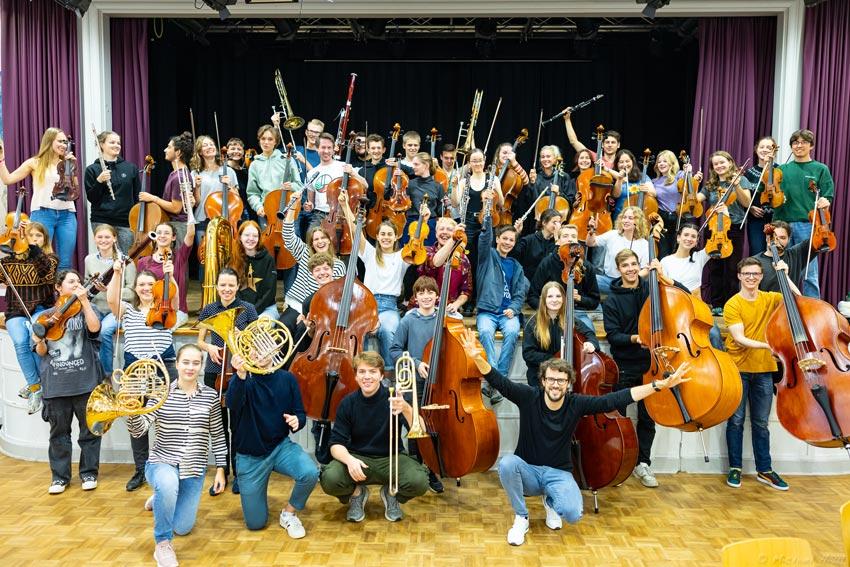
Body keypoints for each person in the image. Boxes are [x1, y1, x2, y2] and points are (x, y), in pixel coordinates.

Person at [458, 328, 688, 546]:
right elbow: (500, 382)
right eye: (551, 380)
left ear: (568, 384)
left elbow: (618, 398)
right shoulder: (529, 397)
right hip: (528, 469)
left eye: (561, 381)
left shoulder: (576, 403)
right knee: (507, 464)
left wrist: (659, 385)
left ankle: (551, 502)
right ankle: (521, 517)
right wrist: (477, 358)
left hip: (558, 474)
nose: (555, 385)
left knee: (573, 514)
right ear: (543, 381)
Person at [128, 344, 227, 567]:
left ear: (201, 366)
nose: (190, 368)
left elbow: (219, 435)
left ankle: (161, 498)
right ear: (177, 364)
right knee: (168, 482)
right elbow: (138, 430)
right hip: (162, 462)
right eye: (186, 362)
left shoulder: (210, 397)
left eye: (196, 363)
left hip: (193, 468)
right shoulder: (161, 394)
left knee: (183, 527)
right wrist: (132, 412)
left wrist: (221, 469)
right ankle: (162, 544)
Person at [603, 249, 688, 489]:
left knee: (648, 417)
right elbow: (613, 335)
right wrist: (635, 338)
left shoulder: (652, 287)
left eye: (633, 264)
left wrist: (662, 276)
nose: (630, 269)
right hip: (626, 365)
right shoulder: (612, 300)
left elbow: (683, 294)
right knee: (618, 416)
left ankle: (643, 463)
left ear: (638, 265)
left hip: (652, 364)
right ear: (618, 269)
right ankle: (617, 462)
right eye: (625, 266)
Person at [319, 351, 429, 522]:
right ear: (355, 376)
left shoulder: (394, 398)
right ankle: (357, 494)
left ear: (381, 375)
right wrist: (349, 460)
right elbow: (335, 444)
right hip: (359, 459)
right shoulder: (348, 403)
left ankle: (391, 494)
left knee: (419, 481)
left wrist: (406, 407)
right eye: (362, 372)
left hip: (392, 459)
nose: (367, 377)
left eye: (372, 371)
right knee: (329, 478)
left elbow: (422, 430)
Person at [723, 257, 797, 491]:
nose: (751, 277)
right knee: (735, 422)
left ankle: (764, 470)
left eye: (755, 274)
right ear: (739, 276)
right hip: (738, 370)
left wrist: (785, 275)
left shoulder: (770, 298)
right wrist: (770, 346)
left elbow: (797, 300)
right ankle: (735, 468)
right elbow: (739, 338)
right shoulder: (733, 304)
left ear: (762, 276)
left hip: (764, 370)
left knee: (761, 424)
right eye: (747, 274)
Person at [226, 351, 319, 538]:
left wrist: (297, 421)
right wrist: (240, 375)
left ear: (276, 351)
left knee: (310, 472)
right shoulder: (244, 379)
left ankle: (288, 514)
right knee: (255, 523)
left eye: (265, 347)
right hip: (249, 456)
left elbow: (300, 413)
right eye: (255, 348)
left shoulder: (287, 378)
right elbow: (232, 404)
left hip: (280, 447)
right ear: (247, 352)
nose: (260, 353)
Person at [108, 257, 180, 492]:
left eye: (151, 284)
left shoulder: (167, 308)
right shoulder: (128, 311)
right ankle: (141, 469)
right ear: (136, 289)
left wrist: (171, 275)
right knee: (136, 420)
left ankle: (169, 465)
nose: (147, 288)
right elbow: (111, 299)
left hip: (164, 367)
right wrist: (117, 273)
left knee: (167, 419)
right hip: (135, 369)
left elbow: (176, 298)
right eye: (142, 285)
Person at [33, 269, 102, 495]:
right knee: (59, 435)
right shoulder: (44, 318)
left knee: (89, 432)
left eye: (79, 282)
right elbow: (41, 351)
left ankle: (89, 473)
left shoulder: (85, 310)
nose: (76, 284)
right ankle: (60, 478)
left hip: (85, 381)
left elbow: (94, 328)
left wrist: (85, 301)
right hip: (56, 385)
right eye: (71, 282)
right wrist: (39, 338)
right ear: (58, 287)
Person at [197, 267, 260, 495]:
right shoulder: (209, 309)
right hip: (215, 372)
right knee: (219, 426)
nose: (226, 289)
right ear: (217, 287)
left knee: (239, 426)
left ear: (237, 286)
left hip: (240, 372)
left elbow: (255, 338)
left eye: (231, 285)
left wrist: (242, 339)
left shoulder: (248, 309)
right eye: (222, 285)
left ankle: (240, 473)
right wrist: (210, 347)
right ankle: (222, 470)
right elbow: (200, 341)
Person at [340, 192, 414, 370]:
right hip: (368, 304)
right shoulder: (370, 254)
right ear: (378, 236)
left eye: (390, 234)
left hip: (389, 306)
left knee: (389, 331)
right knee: (360, 332)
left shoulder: (401, 257)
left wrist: (424, 220)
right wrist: (344, 206)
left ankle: (389, 374)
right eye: (383, 234)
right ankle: (364, 370)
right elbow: (356, 229)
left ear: (396, 237)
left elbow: (416, 240)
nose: (386, 237)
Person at [388, 275, 445, 493]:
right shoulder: (408, 320)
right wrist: (416, 362)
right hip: (415, 382)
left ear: (436, 295)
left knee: (434, 428)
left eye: (430, 292)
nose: (426, 296)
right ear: (415, 297)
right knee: (416, 426)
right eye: (421, 293)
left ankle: (432, 469)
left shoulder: (443, 319)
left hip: (440, 382)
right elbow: (394, 350)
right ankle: (415, 471)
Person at [0, 220, 57, 414]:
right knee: (19, 342)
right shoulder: (8, 261)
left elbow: (45, 273)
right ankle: (35, 386)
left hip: (42, 308)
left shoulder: (50, 259)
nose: (34, 239)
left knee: (35, 333)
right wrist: (8, 238)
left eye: (38, 236)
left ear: (45, 239)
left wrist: (32, 249)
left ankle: (38, 384)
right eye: (31, 235)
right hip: (16, 310)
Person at [0, 128, 78, 270]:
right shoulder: (35, 162)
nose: (64, 145)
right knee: (40, 259)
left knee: (65, 262)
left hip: (67, 215)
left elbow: (74, 191)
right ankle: (42, 292)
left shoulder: (67, 163)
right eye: (60, 141)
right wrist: (1, 160)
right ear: (49, 141)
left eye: (65, 142)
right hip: (43, 213)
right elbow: (8, 179)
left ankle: (62, 292)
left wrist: (70, 168)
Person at [775, 129, 834, 298]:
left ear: (811, 146)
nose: (799, 145)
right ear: (791, 146)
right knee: (779, 268)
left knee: (809, 272)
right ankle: (780, 305)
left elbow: (827, 194)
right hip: (781, 224)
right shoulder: (781, 169)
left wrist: (824, 200)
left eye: (803, 142)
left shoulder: (820, 168)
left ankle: (813, 308)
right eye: (795, 143)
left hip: (807, 224)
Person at [476, 209, 529, 393]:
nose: (507, 242)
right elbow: (484, 240)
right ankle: (496, 379)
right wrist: (488, 215)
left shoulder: (516, 265)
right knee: (484, 332)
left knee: (513, 332)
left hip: (507, 313)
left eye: (511, 240)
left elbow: (520, 294)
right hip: (488, 311)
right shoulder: (487, 256)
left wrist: (514, 309)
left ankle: (498, 379)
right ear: (497, 239)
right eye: (504, 238)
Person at [699, 151, 753, 314]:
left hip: (734, 227)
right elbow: (696, 199)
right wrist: (691, 181)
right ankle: (716, 305)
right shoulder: (710, 185)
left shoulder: (741, 180)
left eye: (722, 162)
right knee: (715, 267)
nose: (719, 166)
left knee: (731, 268)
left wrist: (736, 185)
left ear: (730, 162)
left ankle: (730, 305)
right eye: (716, 164)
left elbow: (747, 203)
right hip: (714, 228)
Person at [522, 281, 599, 387]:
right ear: (544, 299)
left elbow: (589, 333)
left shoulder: (571, 320)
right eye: (550, 296)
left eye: (558, 296)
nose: (554, 300)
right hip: (540, 376)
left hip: (565, 375)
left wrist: (591, 343)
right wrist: (555, 359)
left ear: (563, 299)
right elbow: (529, 354)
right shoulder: (533, 323)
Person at [84, 224, 136, 377]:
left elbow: (132, 293)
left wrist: (110, 290)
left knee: (105, 330)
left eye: (107, 237)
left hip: (117, 309)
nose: (103, 240)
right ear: (94, 239)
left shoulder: (127, 262)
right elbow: (87, 283)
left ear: (114, 239)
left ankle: (106, 375)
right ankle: (90, 372)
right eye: (100, 237)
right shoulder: (89, 260)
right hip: (97, 307)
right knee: (84, 327)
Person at [281, 194, 346, 313]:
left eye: (323, 238)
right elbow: (288, 236)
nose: (320, 241)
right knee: (284, 327)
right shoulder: (304, 252)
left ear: (329, 240)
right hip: (296, 303)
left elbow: (338, 293)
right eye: (316, 239)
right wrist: (292, 207)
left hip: (322, 308)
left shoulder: (339, 265)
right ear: (311, 243)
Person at [527, 224, 599, 332]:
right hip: (550, 312)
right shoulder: (547, 263)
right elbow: (532, 297)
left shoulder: (585, 266)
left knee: (589, 336)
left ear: (577, 241)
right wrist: (548, 307)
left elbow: (594, 301)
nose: (570, 239)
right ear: (558, 241)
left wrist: (579, 298)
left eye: (573, 236)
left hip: (577, 312)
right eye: (565, 236)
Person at [84, 129, 141, 253]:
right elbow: (92, 198)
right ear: (101, 145)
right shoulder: (92, 169)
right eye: (112, 142)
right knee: (106, 257)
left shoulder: (131, 168)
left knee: (126, 258)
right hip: (101, 220)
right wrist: (99, 181)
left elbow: (136, 198)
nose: (116, 145)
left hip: (125, 222)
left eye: (118, 143)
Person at [136, 220, 195, 328]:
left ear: (173, 237)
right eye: (159, 232)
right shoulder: (143, 262)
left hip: (176, 311)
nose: (162, 236)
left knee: (164, 327)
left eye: (167, 233)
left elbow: (190, 234)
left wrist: (189, 208)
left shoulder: (180, 257)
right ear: (154, 236)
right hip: (150, 309)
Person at [245, 123, 303, 232]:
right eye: (263, 139)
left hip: (288, 209)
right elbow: (252, 193)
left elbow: (299, 185)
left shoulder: (287, 159)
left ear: (275, 142)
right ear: (259, 140)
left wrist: (291, 186)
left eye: (270, 139)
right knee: (268, 247)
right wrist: (258, 207)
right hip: (267, 211)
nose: (266, 142)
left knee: (291, 245)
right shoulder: (255, 164)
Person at [140, 132, 194, 247]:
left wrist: (153, 198)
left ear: (178, 153)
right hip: (175, 224)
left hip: (179, 227)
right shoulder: (175, 174)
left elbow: (176, 208)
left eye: (169, 147)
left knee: (177, 263)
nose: (165, 150)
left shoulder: (179, 176)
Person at [303, 133, 367, 230]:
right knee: (311, 239)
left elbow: (365, 185)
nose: (326, 151)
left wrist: (353, 174)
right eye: (323, 147)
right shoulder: (311, 173)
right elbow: (311, 203)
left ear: (334, 149)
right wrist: (309, 206)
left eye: (329, 148)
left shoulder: (343, 166)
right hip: (319, 216)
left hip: (342, 214)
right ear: (317, 148)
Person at [586, 206, 653, 296]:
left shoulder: (644, 244)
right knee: (587, 278)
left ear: (638, 221)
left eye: (630, 218)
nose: (626, 220)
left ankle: (620, 294)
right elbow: (591, 243)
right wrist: (591, 230)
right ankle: (618, 294)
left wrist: (630, 281)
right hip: (608, 281)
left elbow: (646, 270)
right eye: (624, 217)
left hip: (631, 283)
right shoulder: (613, 234)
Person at [415, 217, 472, 316]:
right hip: (423, 308)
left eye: (450, 230)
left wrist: (456, 304)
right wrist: (453, 239)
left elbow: (466, 290)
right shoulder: (425, 251)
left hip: (448, 310)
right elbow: (436, 262)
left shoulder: (463, 259)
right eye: (441, 229)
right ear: (436, 234)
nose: (445, 232)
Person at [652, 150, 702, 258]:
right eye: (659, 162)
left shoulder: (680, 175)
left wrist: (691, 175)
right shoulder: (654, 181)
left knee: (678, 251)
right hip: (662, 218)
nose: (661, 164)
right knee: (663, 252)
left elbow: (691, 190)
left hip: (679, 215)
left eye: (665, 161)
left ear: (672, 163)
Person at [519, 145, 572, 238]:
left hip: (559, 223)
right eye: (543, 157)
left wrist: (559, 194)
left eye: (548, 156)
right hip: (540, 223)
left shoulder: (564, 177)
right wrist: (532, 184)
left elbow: (571, 200)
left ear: (555, 159)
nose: (545, 159)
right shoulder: (537, 177)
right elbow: (532, 202)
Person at [230, 221, 278, 320]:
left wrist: (251, 313)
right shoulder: (233, 259)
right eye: (247, 235)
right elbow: (231, 290)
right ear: (240, 237)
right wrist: (241, 313)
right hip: (239, 309)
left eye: (255, 236)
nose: (251, 239)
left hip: (266, 309)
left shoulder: (268, 259)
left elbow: (270, 292)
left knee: (258, 329)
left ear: (259, 238)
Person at [742, 137, 779, 257]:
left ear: (774, 151)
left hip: (777, 220)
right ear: (756, 150)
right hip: (756, 222)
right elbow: (742, 197)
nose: (765, 150)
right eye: (762, 147)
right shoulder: (748, 173)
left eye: (769, 147)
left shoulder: (780, 170)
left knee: (776, 255)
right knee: (757, 254)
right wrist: (750, 207)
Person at [399, 152, 441, 247]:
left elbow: (439, 211)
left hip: (430, 226)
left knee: (427, 255)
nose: (413, 167)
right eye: (413, 164)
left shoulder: (438, 186)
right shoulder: (410, 184)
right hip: (412, 224)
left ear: (426, 165)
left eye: (416, 164)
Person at [511, 208, 561, 281]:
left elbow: (558, 262)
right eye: (554, 222)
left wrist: (557, 238)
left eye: (559, 222)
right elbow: (514, 254)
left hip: (549, 284)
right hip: (529, 281)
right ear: (544, 222)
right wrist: (516, 234)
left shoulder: (557, 242)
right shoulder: (529, 240)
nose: (558, 226)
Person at [611, 149, 655, 219]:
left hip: (639, 217)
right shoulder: (614, 178)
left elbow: (654, 193)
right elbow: (615, 195)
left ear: (633, 162)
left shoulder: (642, 176)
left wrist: (647, 190)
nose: (625, 164)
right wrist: (619, 179)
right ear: (617, 164)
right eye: (621, 162)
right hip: (620, 218)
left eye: (627, 161)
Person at [225, 137, 252, 222]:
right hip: (233, 212)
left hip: (248, 211)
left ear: (243, 152)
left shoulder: (246, 170)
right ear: (227, 151)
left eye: (239, 149)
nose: (236, 151)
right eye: (232, 149)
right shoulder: (224, 169)